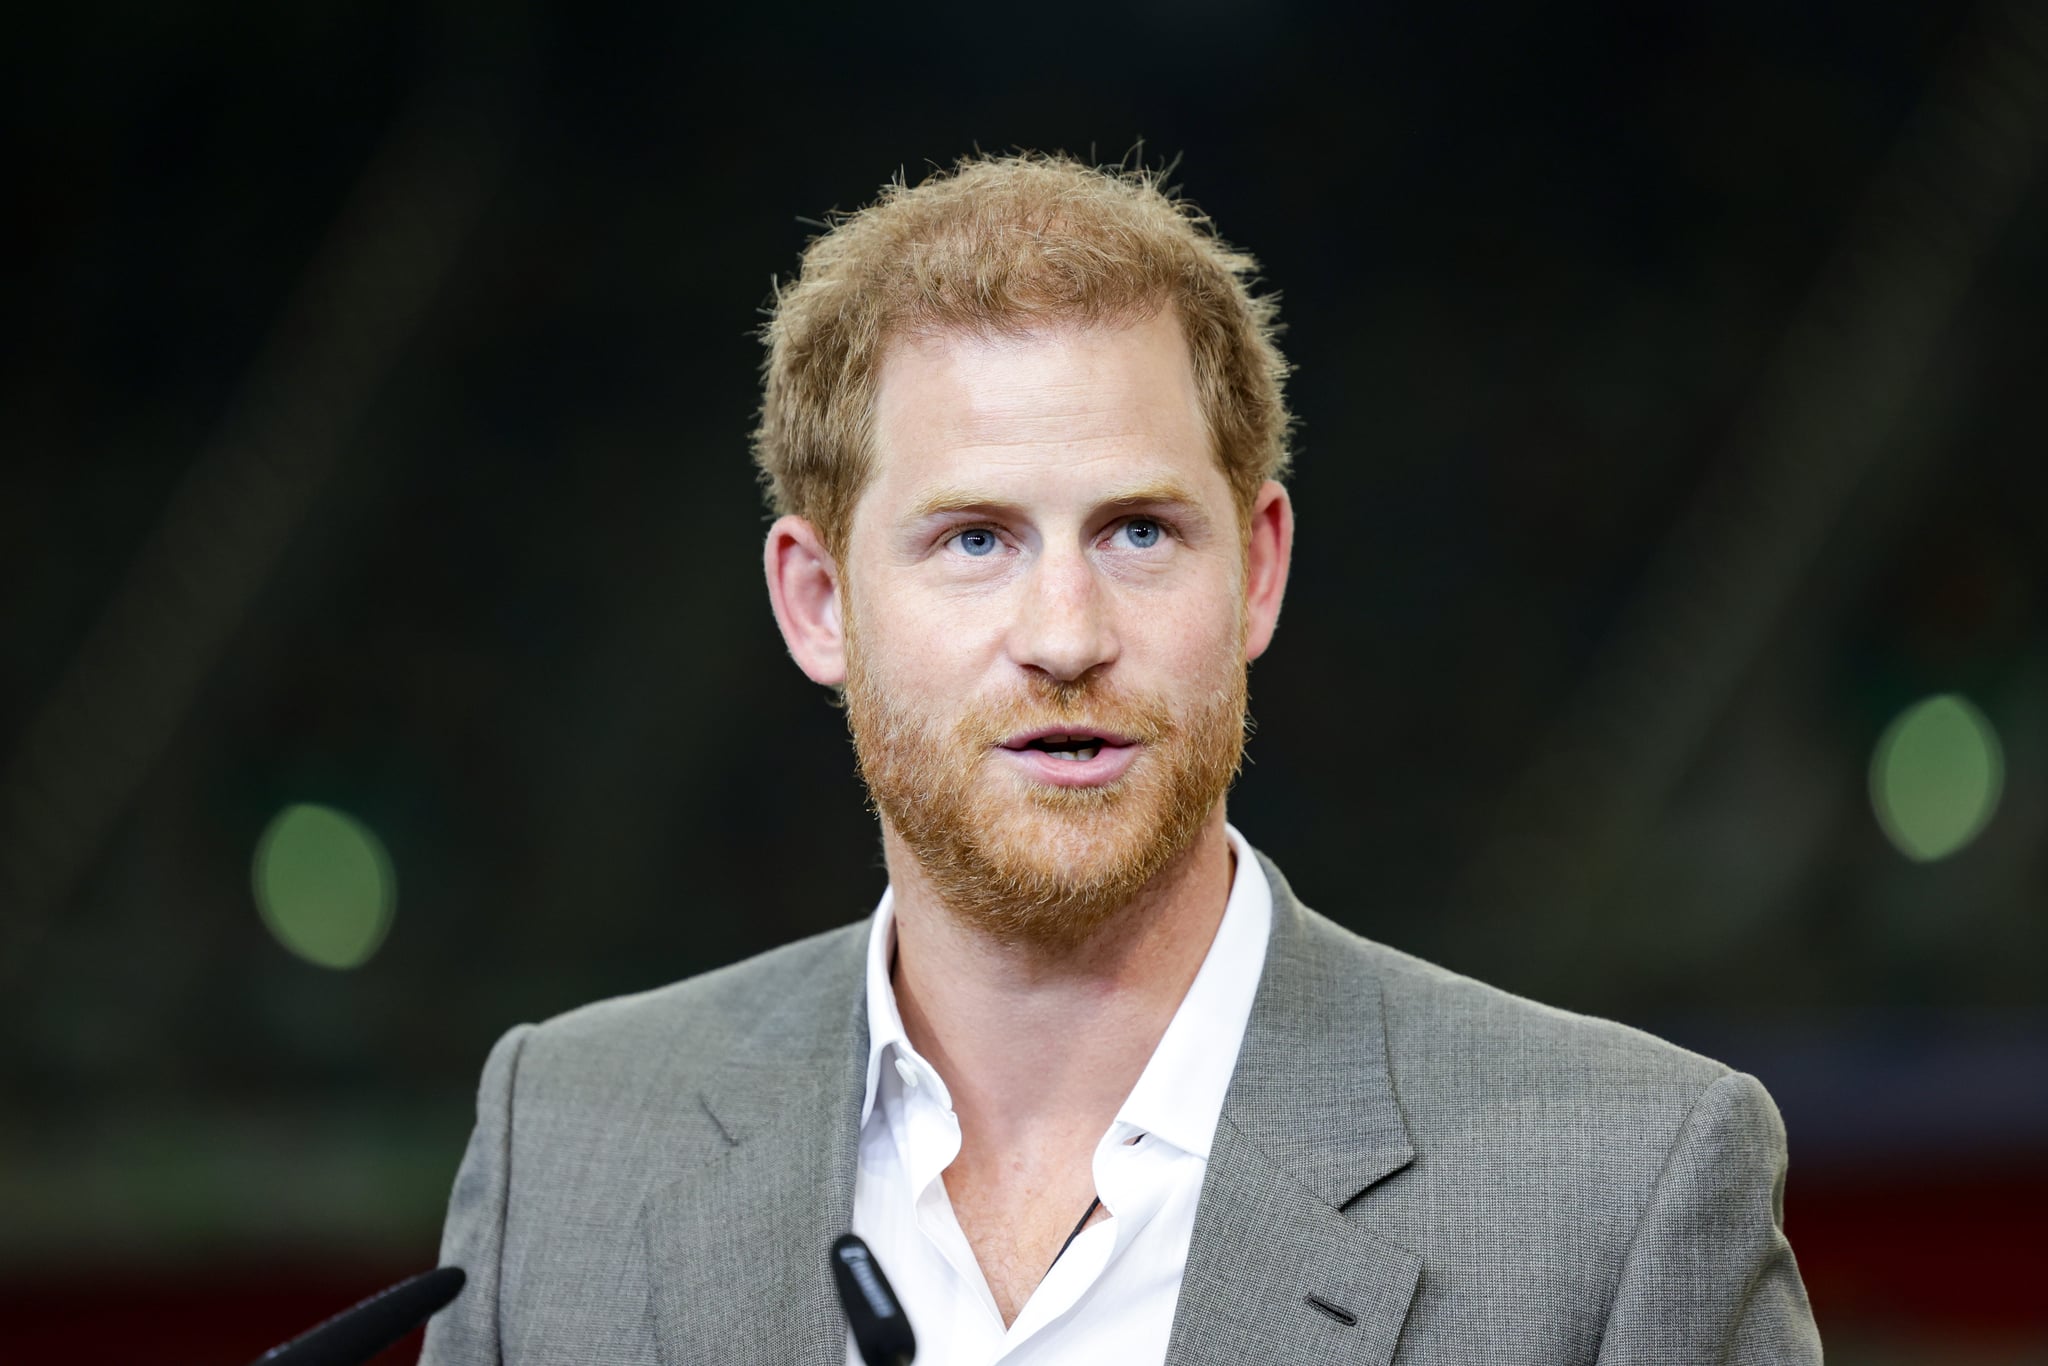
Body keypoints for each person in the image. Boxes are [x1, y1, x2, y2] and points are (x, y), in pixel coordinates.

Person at [421, 153, 1820, 1365]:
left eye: (1140, 531)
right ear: (819, 602)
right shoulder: (571, 1141)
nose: (1066, 634)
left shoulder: (1622, 1186)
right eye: (975, 539)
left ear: (1259, 568)